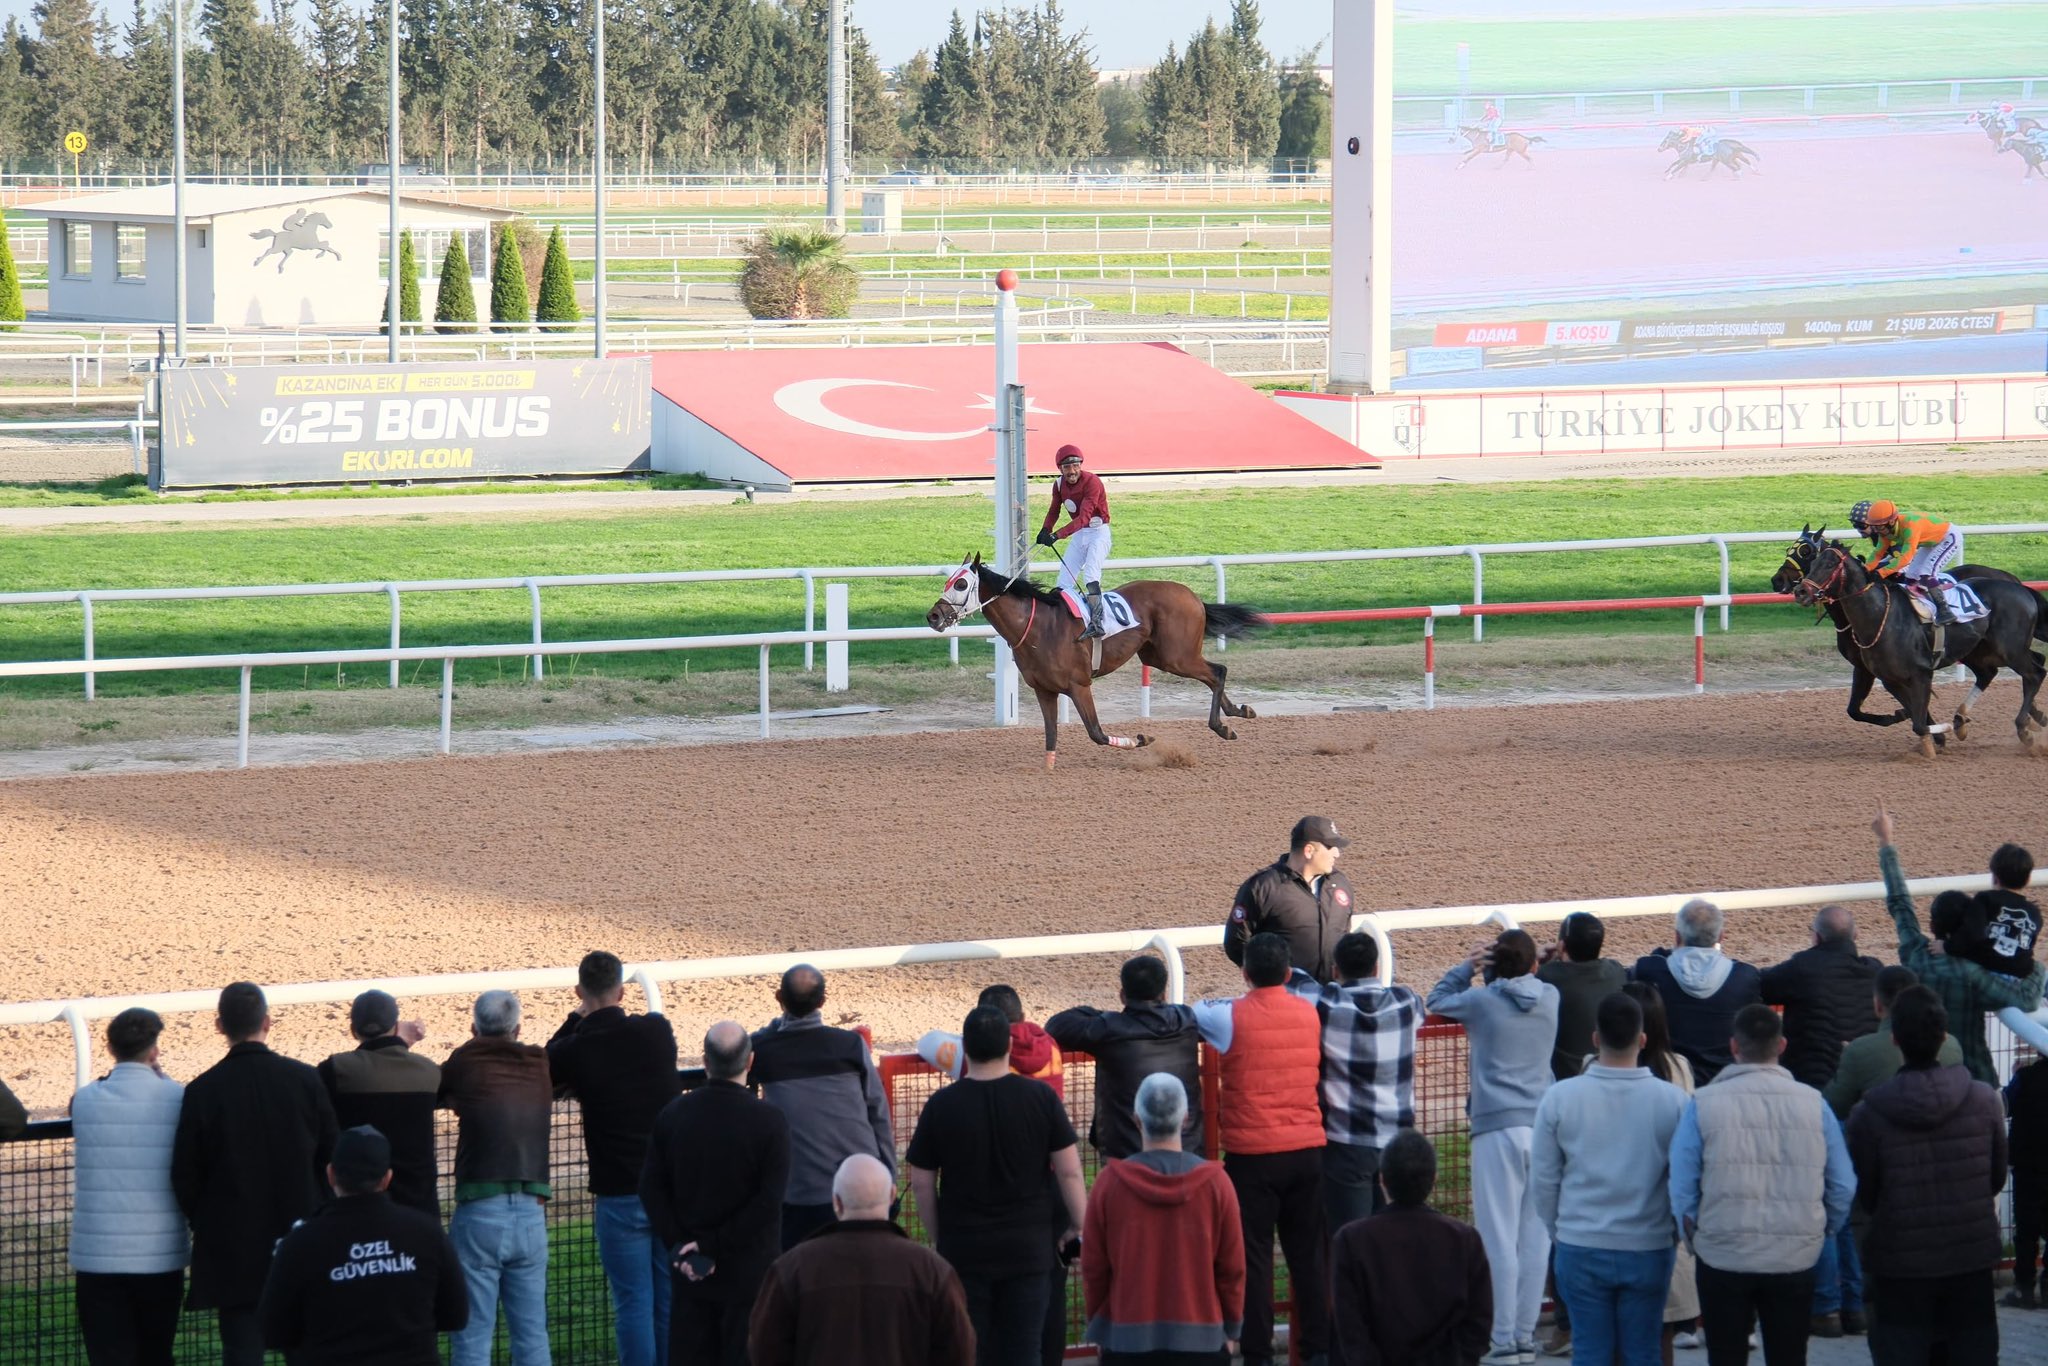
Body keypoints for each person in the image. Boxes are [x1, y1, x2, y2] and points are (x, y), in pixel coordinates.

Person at [1668, 1004, 1855, 1366]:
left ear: (1733, 1047)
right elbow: (1842, 1183)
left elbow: (1682, 1185)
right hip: (1794, 1256)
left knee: (1725, 1356)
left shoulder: (1703, 1104)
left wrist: (1694, 1237)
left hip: (1722, 1252)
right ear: (1782, 1045)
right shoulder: (1814, 1104)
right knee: (1789, 1356)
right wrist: (1821, 1229)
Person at [906, 1005, 1088, 1366]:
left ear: (964, 1048)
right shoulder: (1041, 1098)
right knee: (1024, 1349)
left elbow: (922, 1181)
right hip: (1029, 1249)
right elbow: (1069, 1171)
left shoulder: (941, 1105)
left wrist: (939, 1235)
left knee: (972, 1350)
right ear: (1008, 1045)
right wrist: (1079, 1226)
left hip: (965, 1248)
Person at [171, 982, 339, 1366]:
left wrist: (209, 1220)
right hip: (301, 1236)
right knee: (306, 1348)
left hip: (233, 1245)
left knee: (242, 1352)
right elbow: (332, 1158)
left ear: (219, 1025)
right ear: (267, 1022)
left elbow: (185, 1175)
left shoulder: (201, 1091)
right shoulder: (304, 1079)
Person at [1846, 986, 2005, 1366]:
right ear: (1944, 1037)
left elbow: (1868, 1193)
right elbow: (1996, 1177)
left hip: (1901, 1265)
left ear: (1895, 1040)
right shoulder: (1984, 1100)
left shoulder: (1869, 1113)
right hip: (1968, 1257)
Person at [1192, 932, 1331, 1366]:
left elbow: (1195, 1012)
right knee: (1309, 1261)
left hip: (1251, 1160)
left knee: (1253, 1264)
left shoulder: (1228, 1016)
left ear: (1245, 973)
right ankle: (1318, 1353)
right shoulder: (1311, 1011)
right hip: (1307, 1152)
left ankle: (1257, 1357)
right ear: (1289, 973)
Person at [1531, 991, 1686, 1366]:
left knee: (1590, 1352)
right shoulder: (1674, 1101)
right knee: (1643, 1351)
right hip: (1648, 1246)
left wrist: (1560, 1231)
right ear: (1643, 1040)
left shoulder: (1560, 1098)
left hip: (1580, 1243)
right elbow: (1684, 1182)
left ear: (1596, 1039)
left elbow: (1544, 1180)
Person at [1426, 929, 1558, 1366]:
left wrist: (1470, 965)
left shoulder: (1482, 1003)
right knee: (1534, 1238)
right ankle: (1522, 1335)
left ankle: (1502, 1338)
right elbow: (1537, 974)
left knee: (1497, 1238)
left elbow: (1438, 998)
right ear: (1535, 966)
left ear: (1494, 968)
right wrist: (1535, 958)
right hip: (1539, 1129)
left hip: (1496, 1130)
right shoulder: (1550, 997)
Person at [547, 950, 682, 1366]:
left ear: (579, 991)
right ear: (623, 992)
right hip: (667, 1190)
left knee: (633, 1304)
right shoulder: (658, 1032)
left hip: (619, 1193)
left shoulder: (577, 1048)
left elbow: (549, 1058)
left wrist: (579, 1015)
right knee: (666, 1299)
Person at [640, 1021, 790, 1366]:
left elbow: (650, 1187)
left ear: (705, 1062)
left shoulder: (673, 1114)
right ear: (750, 1062)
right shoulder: (769, 1121)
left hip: (691, 1272)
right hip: (748, 1274)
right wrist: (713, 1244)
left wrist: (683, 1246)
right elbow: (769, 1201)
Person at [257, 1125, 469, 1365]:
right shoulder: (427, 1233)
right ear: (387, 1178)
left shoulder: (300, 1243)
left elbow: (272, 1330)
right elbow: (455, 1317)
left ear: (330, 1175)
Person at [1872, 801, 2044, 1084]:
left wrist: (1886, 842)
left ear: (1932, 925)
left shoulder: (1916, 954)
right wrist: (2034, 966)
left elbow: (1900, 903)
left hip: (1919, 1078)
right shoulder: (1974, 972)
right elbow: (2027, 998)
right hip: (1974, 1080)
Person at [748, 1153, 975, 1366]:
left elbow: (765, 1350)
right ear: (892, 1196)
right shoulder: (932, 1271)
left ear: (836, 1201)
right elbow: (959, 1352)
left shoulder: (791, 1269)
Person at [1080, 1073, 1245, 1365]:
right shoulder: (1217, 1184)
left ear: (1137, 1120)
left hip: (1127, 1341)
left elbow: (1094, 1269)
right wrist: (1231, 1329)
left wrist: (1101, 1327)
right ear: (1185, 1119)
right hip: (1203, 1341)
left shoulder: (1109, 1185)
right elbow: (1232, 1269)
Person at [438, 990, 554, 1366]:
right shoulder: (539, 1062)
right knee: (533, 1337)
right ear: (518, 1029)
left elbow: (442, 1087)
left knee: (472, 1341)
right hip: (531, 1212)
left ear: (473, 1029)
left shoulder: (465, 1059)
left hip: (480, 1212)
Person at [70, 1007, 189, 1366]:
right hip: (159, 1254)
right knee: (156, 1354)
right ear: (153, 1051)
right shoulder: (178, 1097)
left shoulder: (86, 1101)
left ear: (110, 1050)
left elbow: (79, 1103)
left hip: (98, 1256)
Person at [1284, 930, 1421, 1233]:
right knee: (1391, 1242)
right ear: (1376, 969)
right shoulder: (1406, 1001)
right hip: (1397, 1144)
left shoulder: (1327, 1004)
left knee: (1350, 1242)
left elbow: (1294, 981)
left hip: (1346, 1146)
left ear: (1335, 971)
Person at [752, 964, 897, 1250]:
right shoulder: (851, 1045)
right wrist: (889, 1177)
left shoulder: (763, 1050)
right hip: (863, 1192)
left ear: (779, 998)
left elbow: (736, 1051)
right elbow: (879, 1113)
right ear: (823, 1001)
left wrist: (774, 1027)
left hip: (799, 1198)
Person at [1330, 1129, 1492, 1366]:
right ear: (1435, 1178)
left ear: (1382, 1179)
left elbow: (1350, 1329)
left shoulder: (1351, 1240)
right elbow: (1479, 1324)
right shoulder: (1465, 1239)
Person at [1616, 982, 1704, 1360]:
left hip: (1619, 1212)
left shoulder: (1597, 1069)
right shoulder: (1679, 1068)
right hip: (1664, 1211)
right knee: (1661, 1333)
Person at [1045, 955, 1205, 1159]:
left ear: (1122, 995)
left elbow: (1057, 1025)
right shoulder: (1186, 1019)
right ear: (1164, 994)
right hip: (1189, 1156)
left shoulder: (1109, 1028)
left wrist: (1105, 1016)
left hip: (1127, 1161)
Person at [317, 989, 442, 1221]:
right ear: (395, 1026)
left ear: (353, 1030)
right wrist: (400, 1043)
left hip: (355, 1210)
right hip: (419, 1210)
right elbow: (395, 1069)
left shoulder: (334, 1071)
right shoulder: (428, 1071)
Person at [1629, 899, 1762, 1085]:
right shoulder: (1745, 976)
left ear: (1676, 937)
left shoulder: (1649, 969)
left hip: (1669, 1082)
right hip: (1724, 1084)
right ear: (1721, 937)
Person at [1759, 905, 1881, 1091]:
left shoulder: (1801, 968)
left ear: (1816, 937)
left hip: (1811, 1086)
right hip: (1865, 1085)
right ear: (1855, 935)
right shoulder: (1875, 970)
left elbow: (1758, 986)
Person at [1224, 815, 1358, 983]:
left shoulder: (1340, 883)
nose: (1337, 853)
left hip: (1332, 1000)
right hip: (1286, 1002)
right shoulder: (1263, 887)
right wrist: (1267, 984)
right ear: (1309, 850)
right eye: (1331, 847)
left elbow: (1345, 933)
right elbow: (1237, 943)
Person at [1538, 912, 1626, 1082]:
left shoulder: (1547, 977)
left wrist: (1536, 961)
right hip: (1608, 1077)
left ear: (1561, 947)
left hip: (1562, 1081)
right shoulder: (1616, 972)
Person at [1035, 444, 1112, 638]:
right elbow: (1054, 510)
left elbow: (1084, 517)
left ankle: (1097, 623)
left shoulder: (1092, 482)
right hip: (1080, 534)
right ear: (1060, 469)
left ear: (1081, 465)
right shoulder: (1058, 485)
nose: (1072, 471)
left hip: (1098, 533)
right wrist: (1045, 529)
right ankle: (1064, 621)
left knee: (1090, 576)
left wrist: (1057, 535)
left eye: (1076, 465)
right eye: (1067, 467)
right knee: (1063, 581)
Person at [1856, 500, 1963, 623]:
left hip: (1949, 537)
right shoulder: (1885, 531)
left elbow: (1906, 558)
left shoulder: (1910, 526)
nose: (1876, 531)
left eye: (1879, 527)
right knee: (1911, 575)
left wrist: (1881, 573)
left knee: (1926, 573)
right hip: (1932, 541)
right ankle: (1916, 605)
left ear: (1891, 522)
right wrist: (1865, 569)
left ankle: (1945, 611)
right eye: (1873, 527)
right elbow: (1878, 553)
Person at [2004, 1041, 2048, 1309]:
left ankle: (2024, 1288)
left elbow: (2005, 1105)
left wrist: (2015, 1074)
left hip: (2029, 1165)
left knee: (2026, 1228)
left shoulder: (2026, 1077)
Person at [1964, 842, 2040, 977]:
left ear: (1995, 877)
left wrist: (1946, 948)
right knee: (2040, 971)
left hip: (1987, 971)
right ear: (2028, 879)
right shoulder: (2034, 912)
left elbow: (1970, 934)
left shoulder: (1984, 899)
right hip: (2021, 975)